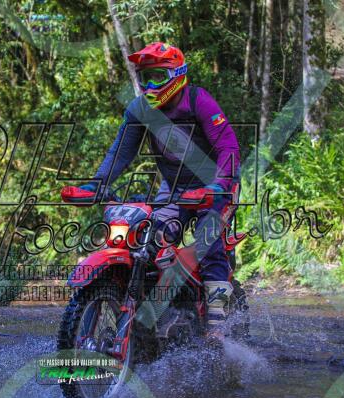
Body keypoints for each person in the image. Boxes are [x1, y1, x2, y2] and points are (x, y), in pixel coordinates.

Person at [61, 42, 241, 340]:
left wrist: (218, 186)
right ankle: (156, 314)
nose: (150, 85)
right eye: (145, 77)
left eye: (158, 76)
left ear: (177, 74)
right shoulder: (140, 109)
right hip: (175, 187)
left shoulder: (198, 101)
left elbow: (228, 148)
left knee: (208, 246)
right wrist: (95, 185)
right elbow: (120, 153)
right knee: (148, 240)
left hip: (216, 185)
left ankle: (216, 323)